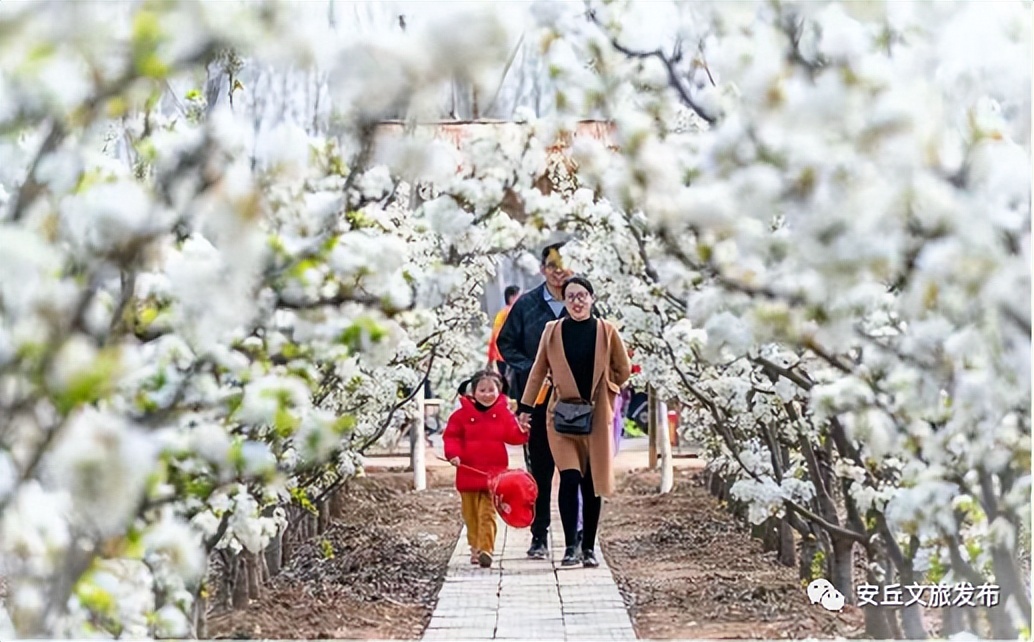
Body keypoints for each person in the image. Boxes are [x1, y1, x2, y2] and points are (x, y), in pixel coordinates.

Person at [517, 276, 631, 568]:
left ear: (591, 298)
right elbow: (538, 370)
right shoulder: (552, 331)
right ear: (564, 301)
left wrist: (609, 389)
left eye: (582, 296)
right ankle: (571, 547)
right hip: (562, 416)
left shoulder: (607, 331)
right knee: (569, 478)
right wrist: (526, 407)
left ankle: (589, 547)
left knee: (591, 482)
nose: (577, 301)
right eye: (570, 297)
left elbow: (623, 369)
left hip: (596, 416)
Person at [497, 242, 592, 559]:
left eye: (564, 266)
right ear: (542, 270)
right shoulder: (526, 305)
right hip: (537, 400)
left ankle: (577, 537)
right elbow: (506, 343)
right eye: (552, 266)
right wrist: (532, 369)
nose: (559, 272)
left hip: (574, 402)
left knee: (576, 471)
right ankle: (539, 535)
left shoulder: (582, 303)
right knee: (540, 468)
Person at [442, 370, 530, 568]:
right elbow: (451, 437)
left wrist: (522, 432)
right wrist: (453, 454)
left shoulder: (503, 414)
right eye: (482, 390)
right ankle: (474, 547)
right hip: (468, 472)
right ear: (473, 392)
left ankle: (486, 549)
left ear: (499, 391)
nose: (487, 394)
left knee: (488, 513)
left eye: (492, 390)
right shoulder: (460, 416)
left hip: (494, 475)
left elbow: (512, 436)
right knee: (471, 514)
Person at [488, 285, 521, 382]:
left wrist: (491, 357)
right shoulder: (512, 313)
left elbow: (494, 337)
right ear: (512, 297)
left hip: (502, 356)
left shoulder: (501, 314)